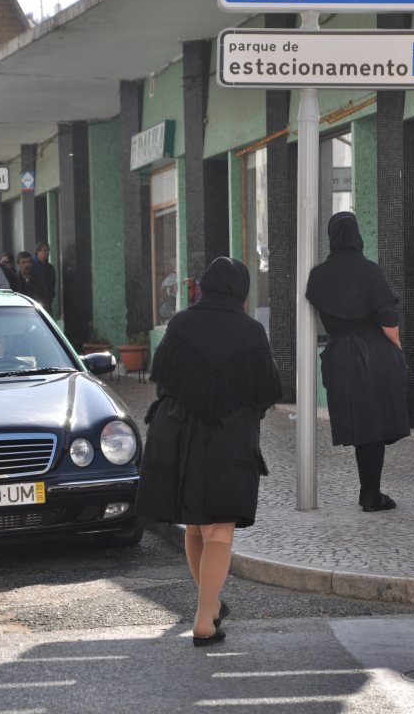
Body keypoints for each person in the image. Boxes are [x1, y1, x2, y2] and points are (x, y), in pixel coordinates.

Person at [135, 257, 282, 647]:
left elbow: (161, 375)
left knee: (196, 524)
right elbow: (267, 391)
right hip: (228, 436)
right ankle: (205, 617)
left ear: (206, 286)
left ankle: (211, 603)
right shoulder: (250, 331)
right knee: (220, 529)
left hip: (178, 434)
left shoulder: (182, 323)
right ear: (240, 290)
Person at [306, 211, 410, 512]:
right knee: (374, 426)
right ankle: (371, 495)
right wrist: (397, 352)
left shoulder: (318, 275)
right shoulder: (369, 270)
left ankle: (370, 493)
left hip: (338, 356)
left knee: (360, 425)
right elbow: (388, 319)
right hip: (373, 352)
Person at [32, 241, 56, 314]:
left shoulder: (50, 268)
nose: (47, 253)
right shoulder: (32, 266)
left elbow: (52, 283)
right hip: (35, 301)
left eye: (48, 250)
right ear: (38, 252)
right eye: (45, 250)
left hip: (47, 302)